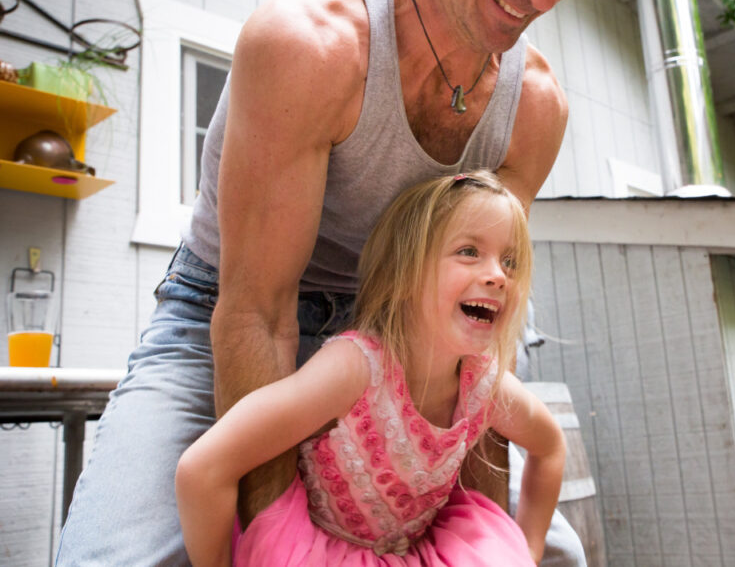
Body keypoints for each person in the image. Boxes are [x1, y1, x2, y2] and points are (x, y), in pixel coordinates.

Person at [57, 0, 639, 564]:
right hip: (233, 317)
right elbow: (258, 313)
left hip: (409, 343)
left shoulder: (536, 109)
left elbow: (478, 331)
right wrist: (278, 540)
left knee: (551, 558)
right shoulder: (310, 46)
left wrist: (484, 534)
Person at [177, 171, 565, 566]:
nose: (499, 276)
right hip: (318, 551)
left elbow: (550, 447)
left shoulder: (484, 383)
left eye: (511, 261)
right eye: (468, 251)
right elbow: (202, 468)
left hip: (420, 552)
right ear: (405, 275)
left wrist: (527, 550)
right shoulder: (356, 368)